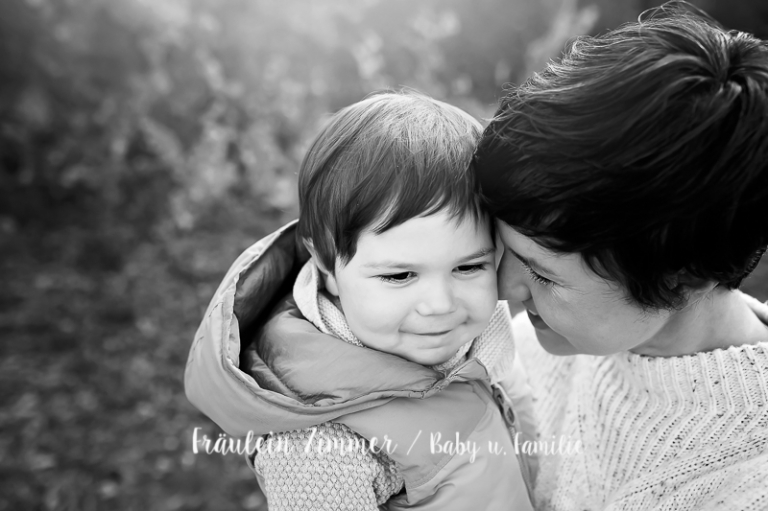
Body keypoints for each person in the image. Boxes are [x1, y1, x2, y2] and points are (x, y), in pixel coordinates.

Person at [471, 2, 768, 509]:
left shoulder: (744, 482)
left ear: (681, 276)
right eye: (503, 247)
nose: (501, 290)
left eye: (543, 274)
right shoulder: (517, 351)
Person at [185, 92, 536, 510]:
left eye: (468, 268)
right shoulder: (321, 449)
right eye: (400, 275)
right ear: (328, 267)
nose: (441, 304)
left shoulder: (482, 334)